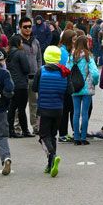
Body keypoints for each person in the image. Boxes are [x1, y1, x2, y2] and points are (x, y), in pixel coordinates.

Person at [34, 46, 67, 177]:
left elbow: (34, 88)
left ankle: (52, 155)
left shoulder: (41, 71)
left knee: (43, 136)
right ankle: (50, 164)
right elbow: (69, 90)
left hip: (44, 109)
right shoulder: (64, 72)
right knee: (52, 135)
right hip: (58, 109)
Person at [70, 36, 100, 145]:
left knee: (76, 112)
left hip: (74, 87)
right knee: (85, 113)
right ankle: (83, 137)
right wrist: (94, 82)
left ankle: (76, 137)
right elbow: (95, 73)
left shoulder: (71, 56)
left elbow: (67, 70)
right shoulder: (88, 56)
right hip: (87, 87)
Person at [6, 34, 34, 136]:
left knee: (12, 108)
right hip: (21, 84)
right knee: (21, 108)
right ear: (18, 43)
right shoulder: (20, 53)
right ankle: (25, 130)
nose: (22, 43)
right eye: (21, 42)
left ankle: (10, 130)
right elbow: (27, 69)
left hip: (11, 83)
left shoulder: (8, 54)